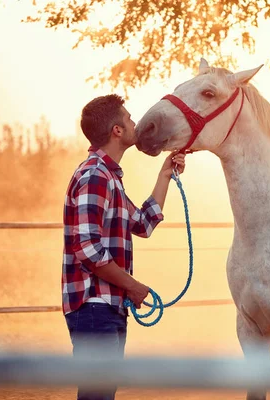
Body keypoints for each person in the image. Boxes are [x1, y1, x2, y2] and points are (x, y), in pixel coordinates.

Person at [62, 94, 185, 400]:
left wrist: (165, 173)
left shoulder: (109, 178)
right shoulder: (95, 176)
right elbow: (87, 248)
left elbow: (142, 223)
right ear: (117, 130)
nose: (134, 123)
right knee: (97, 394)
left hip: (107, 307)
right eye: (129, 119)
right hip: (94, 306)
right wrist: (132, 286)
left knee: (101, 393)